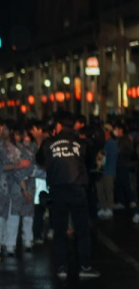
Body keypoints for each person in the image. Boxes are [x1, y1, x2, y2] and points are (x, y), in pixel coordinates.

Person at [37, 112, 99, 279]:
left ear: (57, 126)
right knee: (82, 230)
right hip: (78, 189)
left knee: (59, 230)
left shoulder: (49, 142)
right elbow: (90, 162)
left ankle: (61, 267)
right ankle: (85, 267)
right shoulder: (82, 143)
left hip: (58, 190)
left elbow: (39, 159)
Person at [0, 115, 32, 254]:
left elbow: (19, 168)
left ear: (0, 129)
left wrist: (24, 190)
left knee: (2, 220)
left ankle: (0, 246)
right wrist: (12, 166)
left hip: (4, 190)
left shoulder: (7, 147)